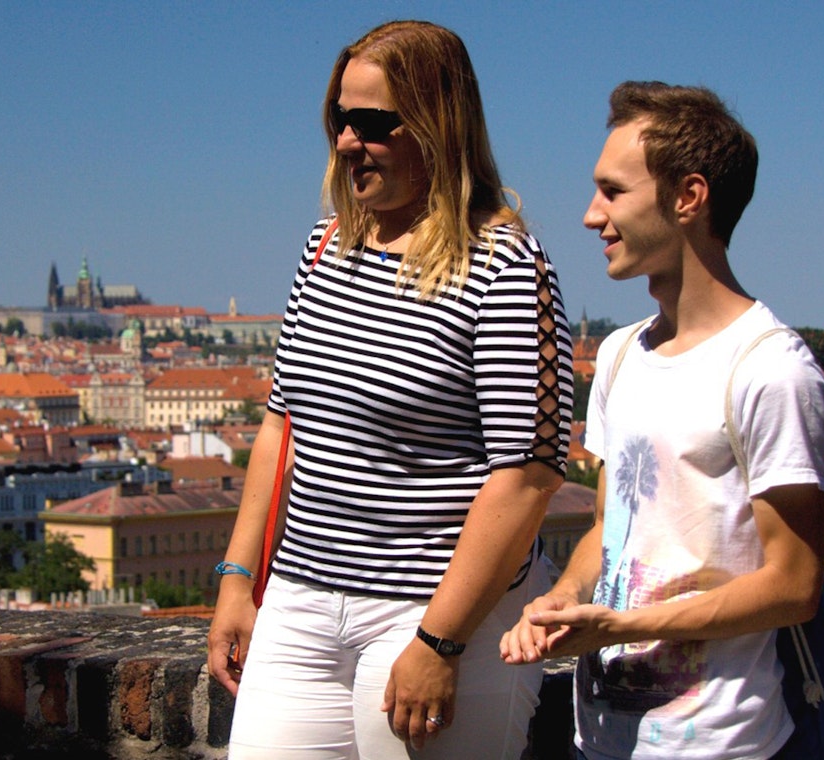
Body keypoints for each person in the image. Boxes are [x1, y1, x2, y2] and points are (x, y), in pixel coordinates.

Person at [207, 20, 574, 759]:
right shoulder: (326, 243)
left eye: (372, 124)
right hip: (302, 602)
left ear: (439, 125)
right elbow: (282, 426)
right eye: (340, 120)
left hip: (431, 612)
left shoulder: (503, 265)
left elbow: (528, 476)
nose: (347, 142)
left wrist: (440, 641)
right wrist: (238, 582)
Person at [499, 81, 824, 759]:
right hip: (601, 736)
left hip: (720, 742)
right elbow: (608, 528)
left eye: (613, 191)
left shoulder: (771, 369)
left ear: (688, 197)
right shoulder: (622, 353)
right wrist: (563, 599)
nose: (592, 216)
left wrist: (620, 626)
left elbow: (794, 585)